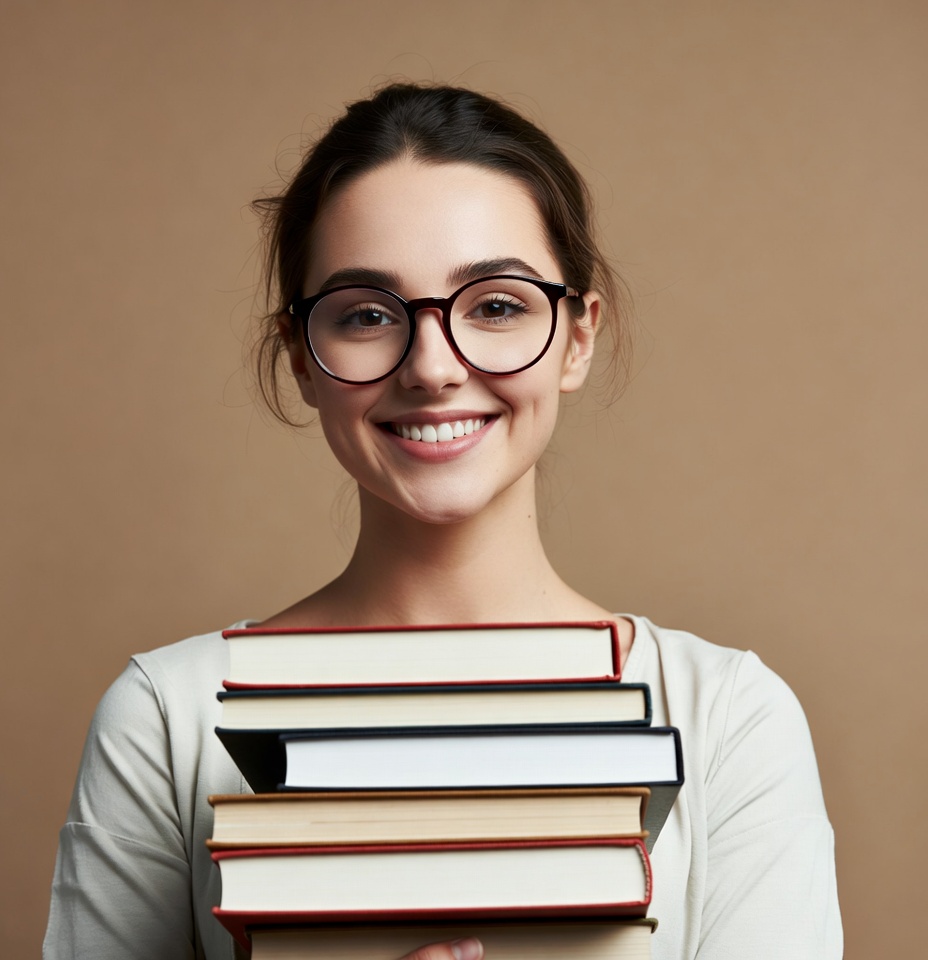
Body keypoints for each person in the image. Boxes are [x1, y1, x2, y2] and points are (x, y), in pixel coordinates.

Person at [43, 83, 842, 960]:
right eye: (366, 315)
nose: (432, 367)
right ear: (300, 359)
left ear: (577, 336)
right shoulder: (166, 720)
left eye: (496, 305)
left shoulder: (730, 718)